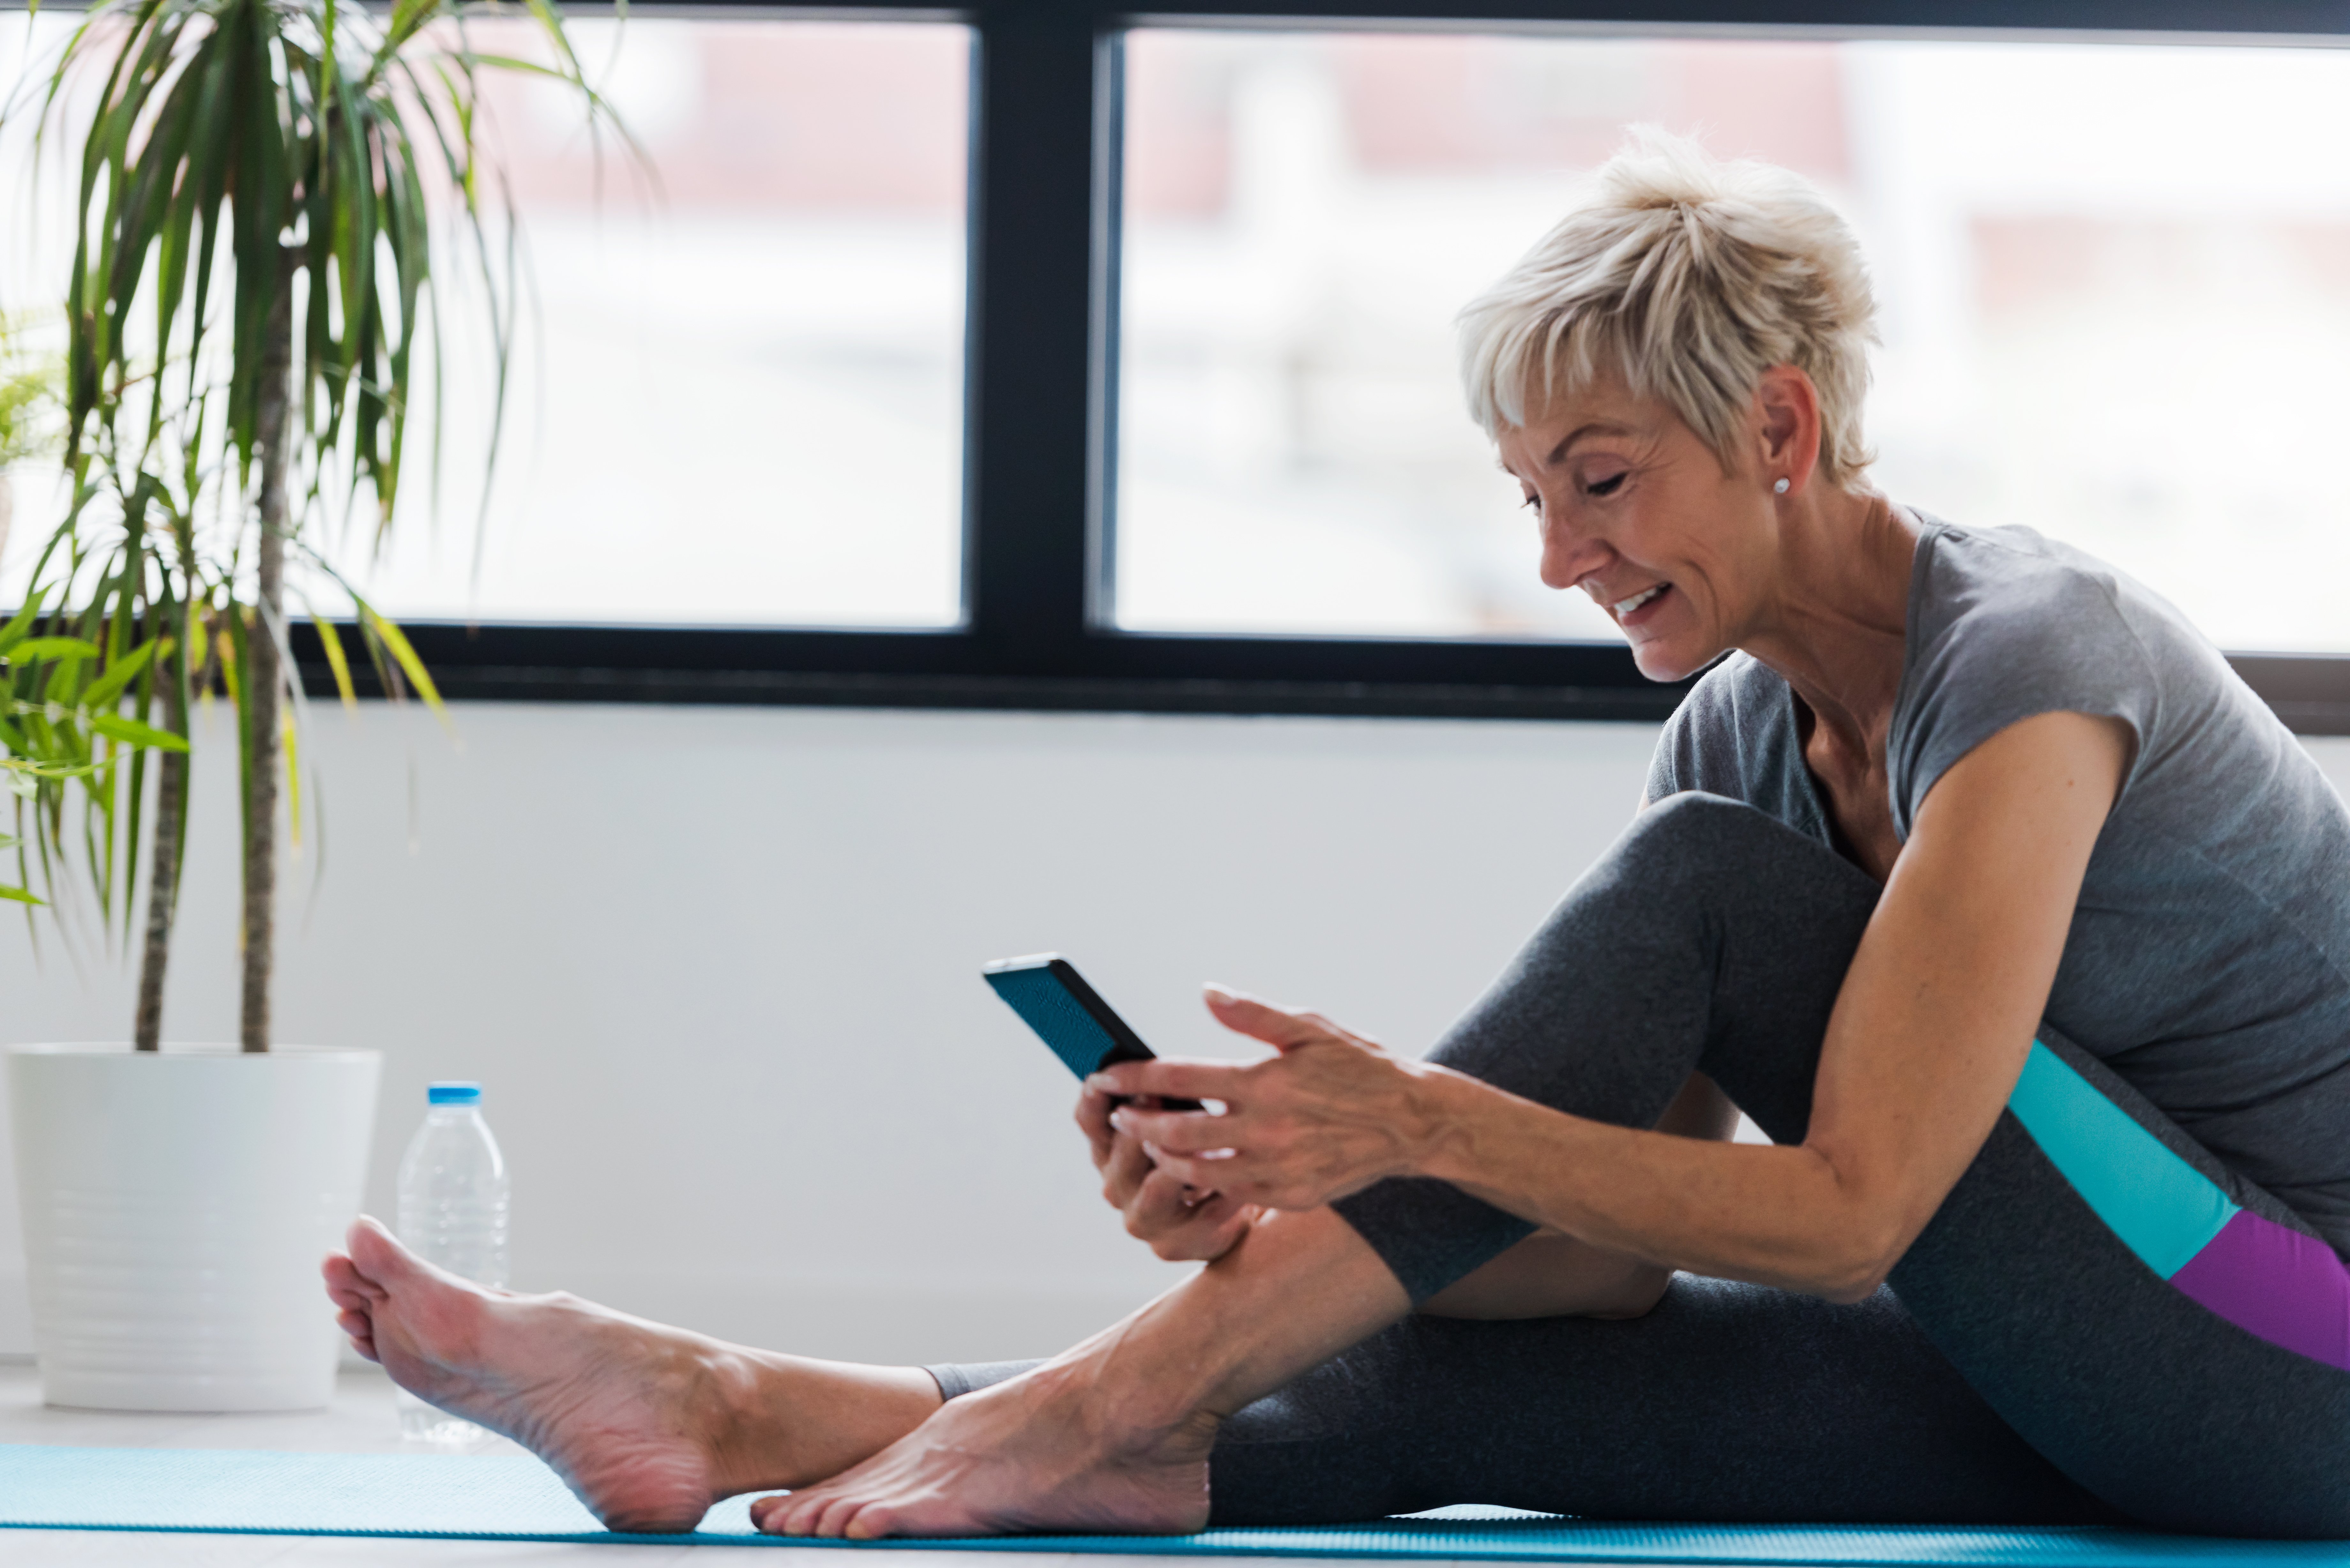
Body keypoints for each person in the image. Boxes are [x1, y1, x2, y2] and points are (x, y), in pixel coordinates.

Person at [322, 130, 2350, 1542]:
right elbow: (1602, 1267)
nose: (1558, 555)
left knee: (1701, 907)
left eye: (1603, 480)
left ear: (1785, 432)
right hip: (2094, 1381)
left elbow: (1850, 1218)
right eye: (1525, 493)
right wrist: (1298, 1222)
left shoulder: (2033, 662)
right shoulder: (1744, 731)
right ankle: (732, 1405)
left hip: (2305, 1365)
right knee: (1479, 1401)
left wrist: (1418, 1128)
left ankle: (1094, 1397)